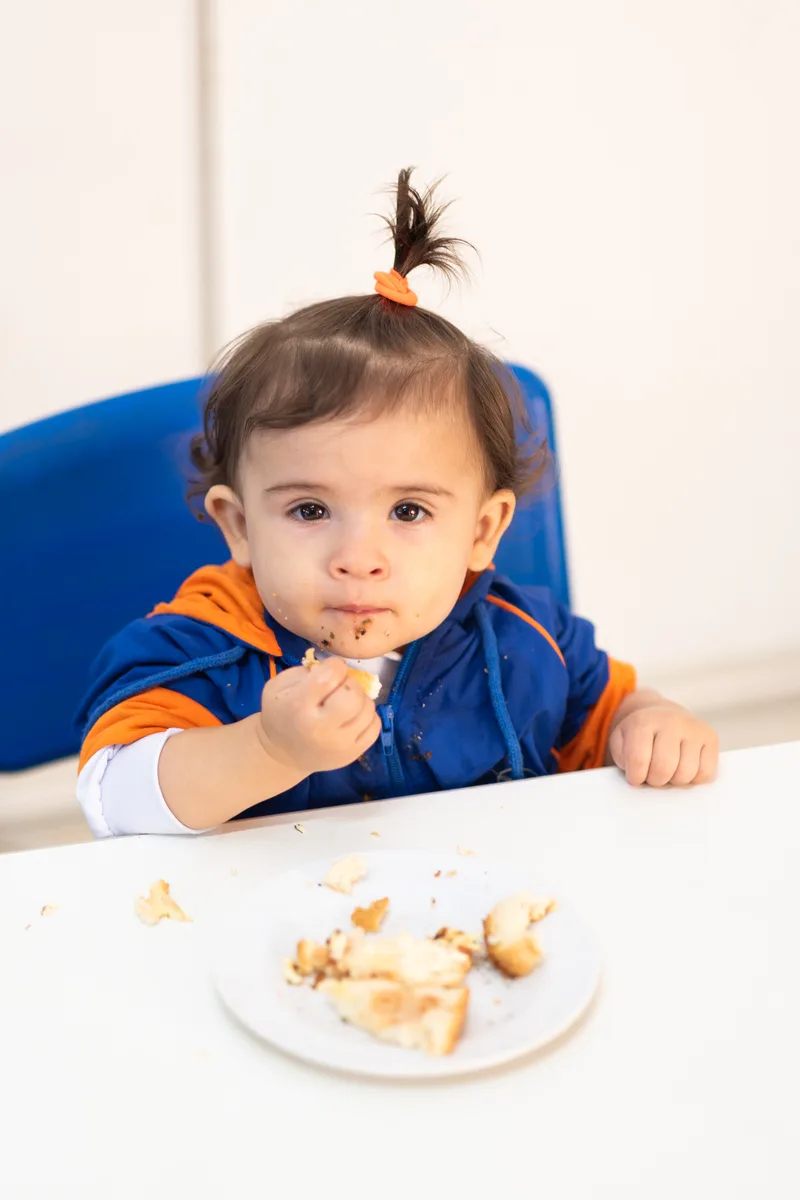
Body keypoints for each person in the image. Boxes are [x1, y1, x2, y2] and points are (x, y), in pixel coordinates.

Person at [76, 169, 719, 838]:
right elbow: (111, 796)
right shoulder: (199, 650)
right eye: (310, 511)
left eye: (408, 512)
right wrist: (267, 749)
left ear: (482, 529)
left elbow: (610, 711)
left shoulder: (526, 643)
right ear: (238, 525)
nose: (359, 560)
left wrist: (650, 723)